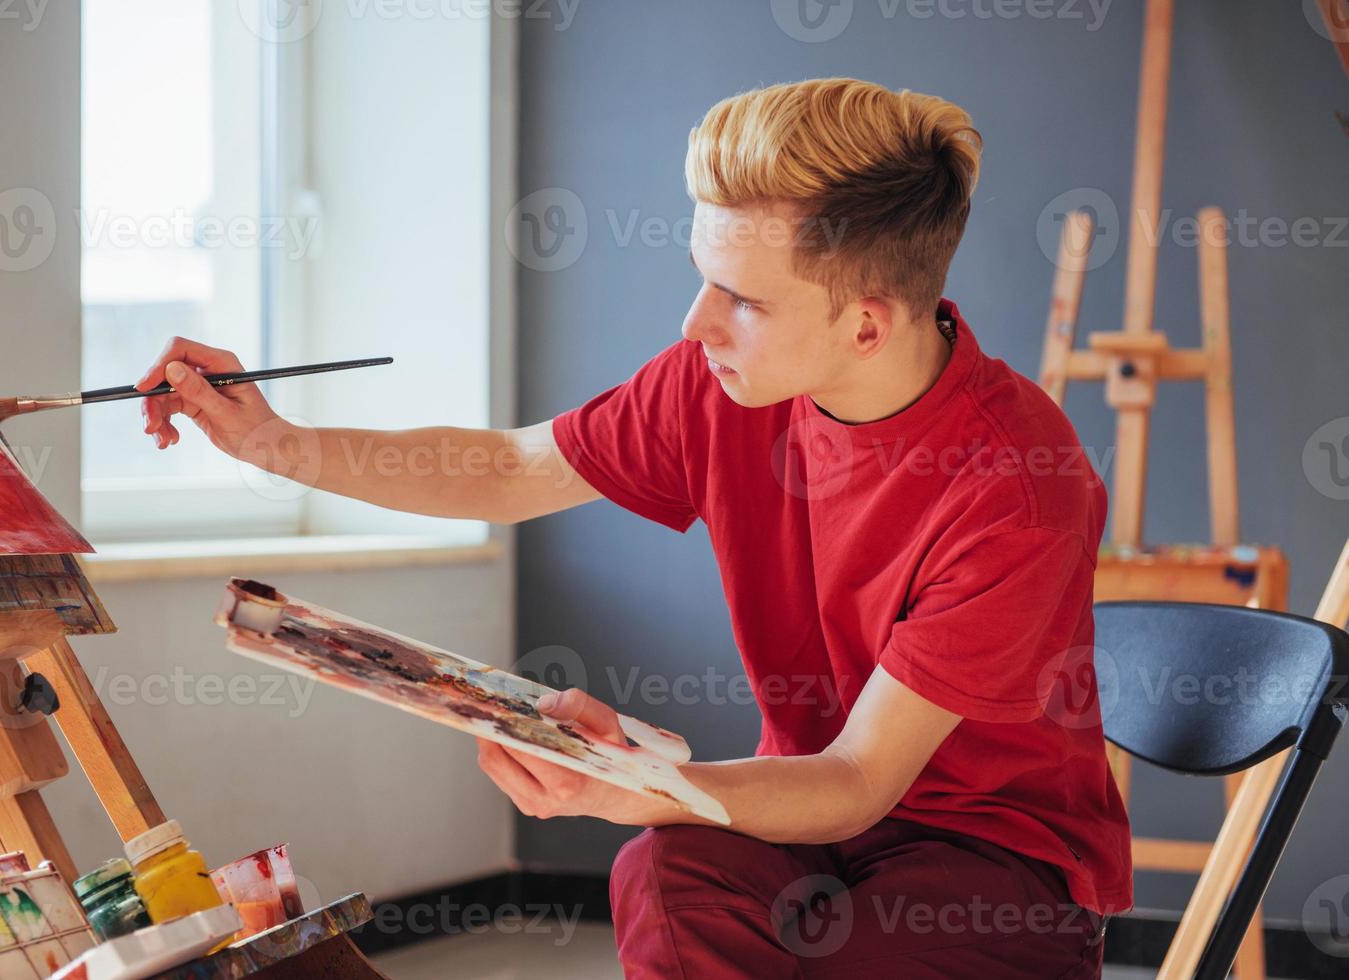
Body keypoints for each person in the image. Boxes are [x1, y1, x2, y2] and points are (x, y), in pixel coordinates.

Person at [136, 77, 1130, 978]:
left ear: (864, 323)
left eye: (740, 297)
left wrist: (648, 778)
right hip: (810, 815)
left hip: (995, 866)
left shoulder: (1016, 485)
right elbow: (508, 467)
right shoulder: (722, 382)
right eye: (703, 274)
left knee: (837, 946)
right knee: (661, 872)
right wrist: (276, 443)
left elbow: (863, 775)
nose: (696, 321)